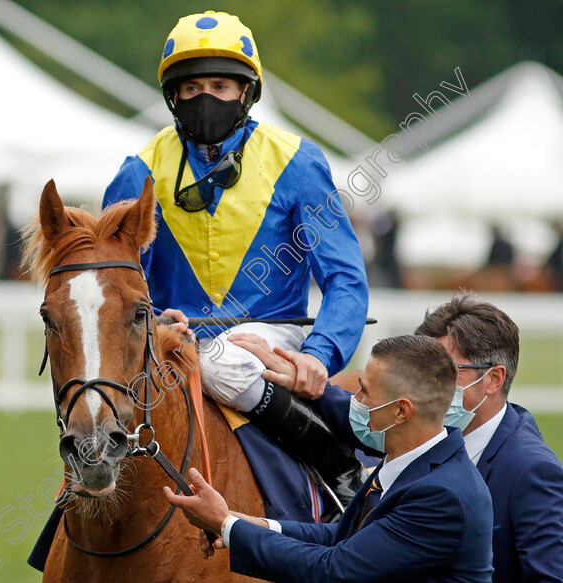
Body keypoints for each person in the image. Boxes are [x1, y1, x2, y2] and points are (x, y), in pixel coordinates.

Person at [102, 10, 369, 506]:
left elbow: (346, 281)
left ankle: (336, 462)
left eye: (222, 84)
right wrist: (156, 321)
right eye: (192, 86)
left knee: (222, 361)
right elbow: (115, 286)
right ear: (173, 96)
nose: (206, 96)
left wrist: (319, 353)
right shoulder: (138, 172)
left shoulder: (297, 161)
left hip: (270, 335)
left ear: (246, 92)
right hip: (169, 342)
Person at [164, 335, 494, 582]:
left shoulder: (441, 496)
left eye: (364, 392)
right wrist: (240, 520)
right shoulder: (409, 460)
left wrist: (226, 526)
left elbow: (332, 569)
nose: (357, 399)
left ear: (401, 411)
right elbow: (335, 536)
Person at [415, 296, 563, 583]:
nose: (429, 384)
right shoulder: (423, 437)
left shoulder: (531, 470)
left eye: (447, 371)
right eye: (424, 370)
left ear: (494, 378)